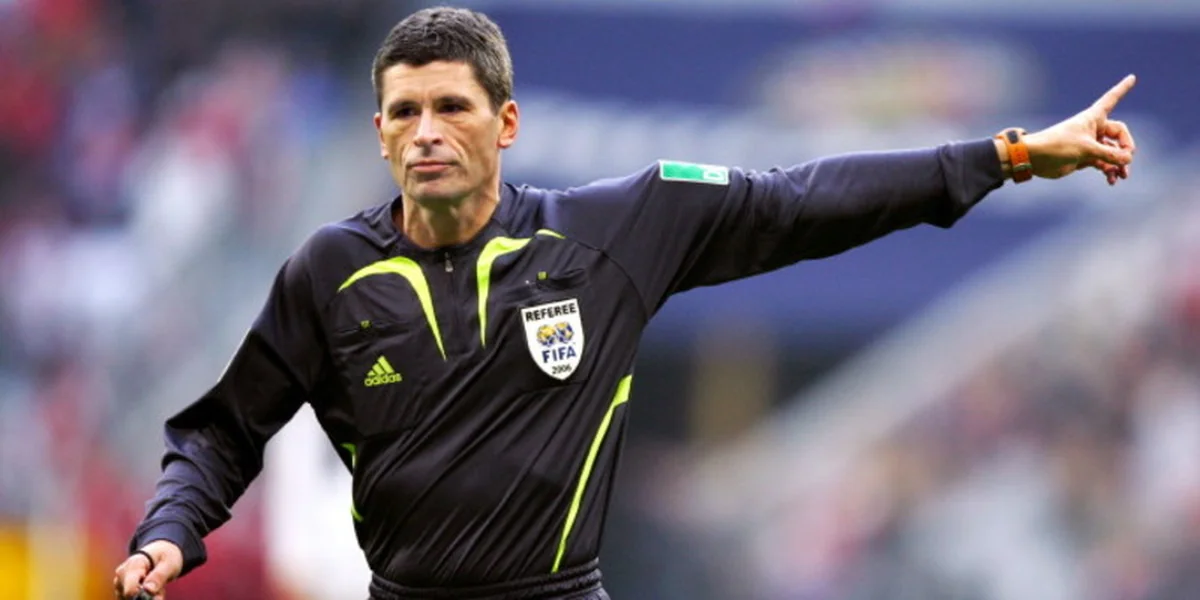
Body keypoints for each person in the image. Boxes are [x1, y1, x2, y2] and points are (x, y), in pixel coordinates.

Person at [113, 6, 1138, 600]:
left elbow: (810, 199)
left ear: (507, 122)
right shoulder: (330, 271)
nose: (427, 131)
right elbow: (221, 430)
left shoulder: (613, 230)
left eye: (452, 107)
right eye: (404, 112)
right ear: (378, 133)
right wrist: (170, 529)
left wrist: (1006, 155)